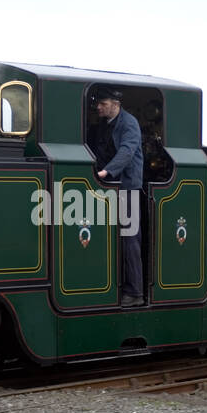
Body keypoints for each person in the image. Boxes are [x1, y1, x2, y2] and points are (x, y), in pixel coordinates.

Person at [92, 87, 145, 307]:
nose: (98, 107)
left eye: (102, 103)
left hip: (127, 186)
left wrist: (106, 172)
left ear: (115, 104)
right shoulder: (104, 126)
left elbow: (127, 151)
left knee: (129, 238)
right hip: (110, 186)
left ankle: (135, 292)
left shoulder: (129, 123)